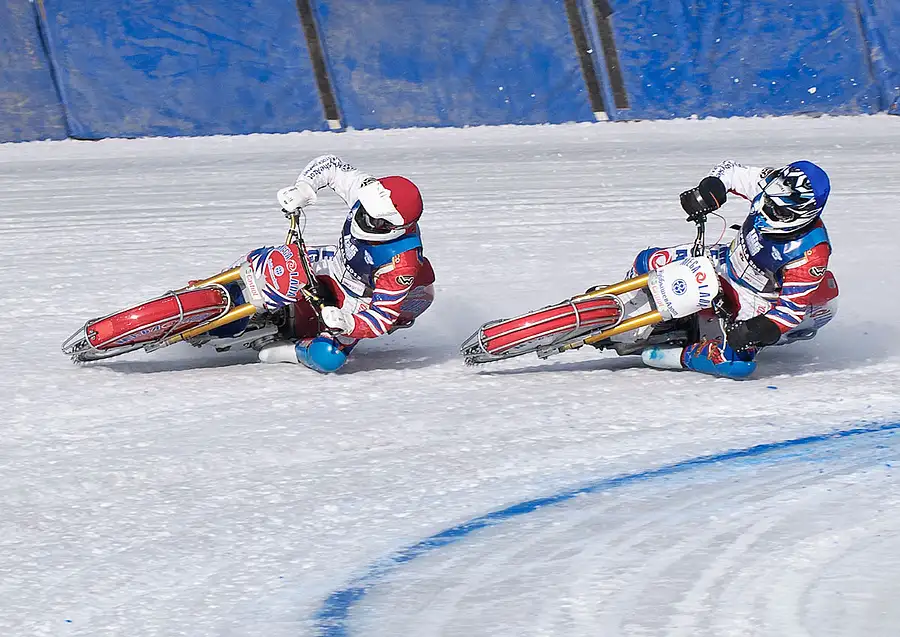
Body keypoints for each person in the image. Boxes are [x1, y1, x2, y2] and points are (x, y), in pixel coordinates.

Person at [633, 159, 839, 379]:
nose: (768, 210)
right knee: (649, 260)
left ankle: (679, 356)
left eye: (779, 210)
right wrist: (710, 189)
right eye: (769, 201)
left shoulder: (811, 253)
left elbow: (791, 310)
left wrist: (757, 329)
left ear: (803, 214)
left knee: (734, 363)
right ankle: (626, 300)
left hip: (756, 299)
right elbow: (730, 170)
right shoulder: (770, 180)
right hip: (723, 260)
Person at [255, 155, 435, 372]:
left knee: (327, 357)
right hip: (333, 261)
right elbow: (331, 165)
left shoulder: (402, 264)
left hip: (358, 298)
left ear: (395, 228)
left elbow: (382, 317)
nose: (364, 217)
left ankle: (293, 352)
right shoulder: (370, 191)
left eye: (374, 220)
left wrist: (348, 323)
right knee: (271, 260)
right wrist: (304, 188)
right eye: (365, 208)